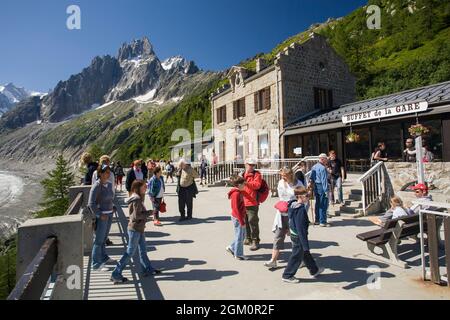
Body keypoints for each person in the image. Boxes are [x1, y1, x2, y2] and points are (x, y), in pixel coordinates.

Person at [110, 180, 161, 284]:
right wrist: (149, 213)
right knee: (130, 252)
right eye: (144, 187)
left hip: (139, 228)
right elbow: (136, 216)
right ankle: (115, 274)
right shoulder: (137, 199)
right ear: (138, 188)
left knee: (143, 250)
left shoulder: (136, 197)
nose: (146, 188)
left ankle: (148, 269)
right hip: (135, 229)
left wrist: (148, 213)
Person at [282, 186, 324, 283]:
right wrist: (305, 244)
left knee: (305, 254)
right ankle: (287, 275)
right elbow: (301, 228)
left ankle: (314, 270)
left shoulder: (293, 205)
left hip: (294, 233)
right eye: (306, 196)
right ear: (299, 197)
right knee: (297, 255)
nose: (308, 197)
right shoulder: (300, 210)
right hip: (298, 236)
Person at [265, 167, 304, 269]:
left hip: (294, 214)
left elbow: (304, 199)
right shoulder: (281, 183)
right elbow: (281, 197)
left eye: (285, 176)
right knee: (278, 236)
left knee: (295, 239)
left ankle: (302, 259)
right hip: (282, 213)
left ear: (290, 175)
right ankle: (273, 260)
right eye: (282, 176)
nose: (283, 178)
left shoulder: (298, 184)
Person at [88, 164, 116, 271]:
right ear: (100, 173)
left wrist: (113, 207)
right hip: (102, 216)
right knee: (99, 240)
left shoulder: (108, 185)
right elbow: (91, 204)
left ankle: (104, 257)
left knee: (104, 238)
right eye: (106, 172)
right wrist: (99, 214)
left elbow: (110, 199)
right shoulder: (96, 186)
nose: (108, 174)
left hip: (109, 214)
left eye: (109, 172)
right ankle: (96, 264)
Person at [242, 158, 263, 251]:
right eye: (250, 164)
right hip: (242, 201)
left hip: (252, 201)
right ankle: (248, 238)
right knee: (245, 221)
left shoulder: (257, 174)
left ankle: (255, 240)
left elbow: (257, 185)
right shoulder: (242, 174)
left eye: (253, 165)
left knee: (252, 221)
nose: (251, 166)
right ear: (245, 164)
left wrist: (246, 183)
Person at [226, 175, 248, 261]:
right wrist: (241, 221)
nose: (244, 185)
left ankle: (232, 247)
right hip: (237, 217)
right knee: (239, 236)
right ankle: (238, 254)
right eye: (243, 184)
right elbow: (236, 209)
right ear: (238, 185)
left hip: (239, 217)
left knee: (242, 235)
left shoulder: (239, 192)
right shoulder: (236, 194)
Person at [310, 154, 330, 227]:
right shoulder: (323, 168)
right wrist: (326, 191)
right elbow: (324, 180)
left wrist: (311, 186)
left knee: (318, 203)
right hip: (321, 186)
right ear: (322, 159)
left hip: (316, 185)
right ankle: (322, 221)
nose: (327, 161)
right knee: (323, 204)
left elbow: (311, 178)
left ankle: (317, 220)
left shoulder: (314, 167)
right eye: (326, 159)